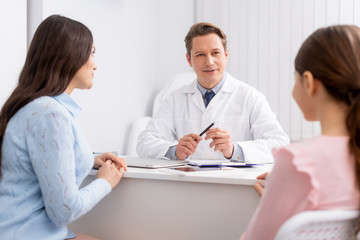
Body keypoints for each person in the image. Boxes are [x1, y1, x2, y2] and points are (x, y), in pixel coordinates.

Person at [0, 15, 127, 240]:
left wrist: (89, 157)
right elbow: (64, 210)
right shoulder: (49, 113)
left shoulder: (38, 106)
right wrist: (105, 182)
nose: (95, 64)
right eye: (91, 53)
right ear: (69, 55)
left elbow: (40, 160)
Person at [240, 25, 360, 240]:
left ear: (308, 82)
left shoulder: (297, 161)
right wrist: (284, 190)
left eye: (294, 79)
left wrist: (280, 186)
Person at [136, 22, 289, 163]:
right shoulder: (175, 99)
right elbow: (145, 142)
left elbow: (279, 144)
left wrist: (234, 150)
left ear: (226, 55)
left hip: (235, 185)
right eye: (200, 55)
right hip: (188, 184)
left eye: (215, 53)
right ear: (189, 60)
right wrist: (175, 150)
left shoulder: (250, 97)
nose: (209, 62)